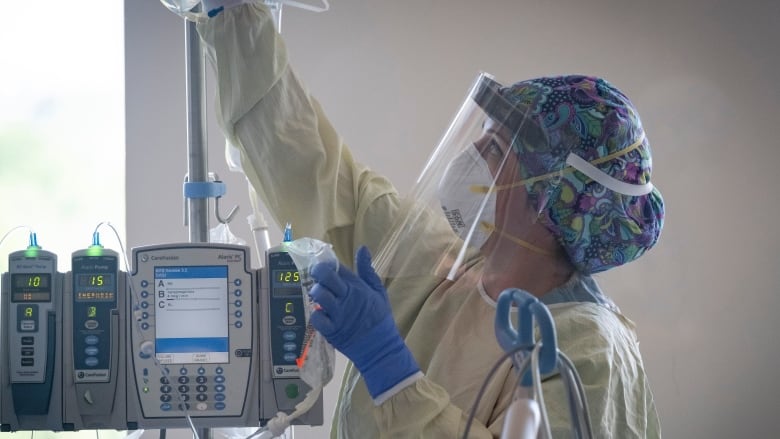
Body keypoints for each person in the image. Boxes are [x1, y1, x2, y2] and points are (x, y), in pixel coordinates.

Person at [180, 1, 664, 437]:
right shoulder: (437, 267)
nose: (471, 155)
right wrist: (236, 21)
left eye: (494, 149)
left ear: (550, 197)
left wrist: (392, 373)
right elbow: (315, 173)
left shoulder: (591, 353)